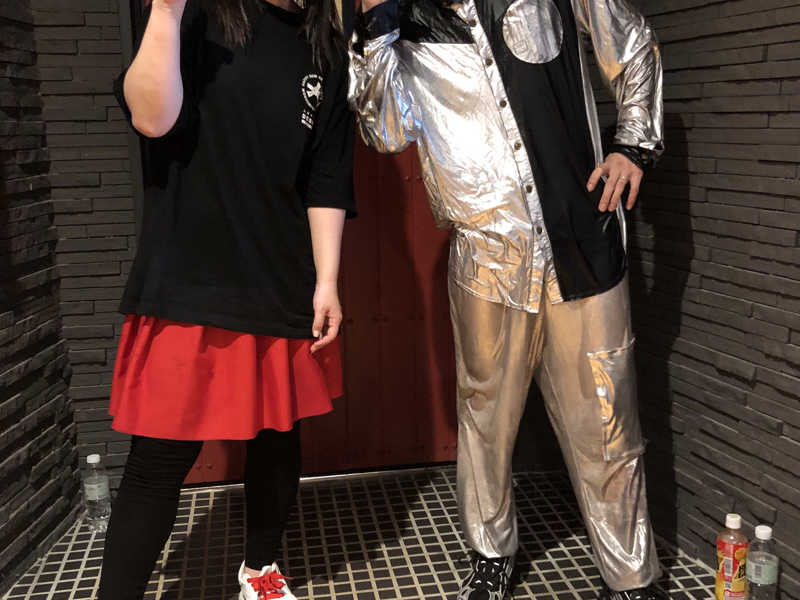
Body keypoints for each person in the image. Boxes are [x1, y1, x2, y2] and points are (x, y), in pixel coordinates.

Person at [348, 0, 664, 598]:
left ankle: (630, 575)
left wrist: (633, 143)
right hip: (486, 256)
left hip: (582, 241)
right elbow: (385, 131)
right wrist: (374, 26)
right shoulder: (401, 20)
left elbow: (633, 44)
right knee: (485, 417)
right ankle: (491, 552)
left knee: (609, 419)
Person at [99, 0, 354, 597]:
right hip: (191, 281)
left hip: (281, 279)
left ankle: (260, 572)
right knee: (158, 463)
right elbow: (151, 119)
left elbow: (326, 176)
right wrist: (165, 14)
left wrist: (327, 280)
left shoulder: (324, 47)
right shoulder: (200, 14)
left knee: (277, 439)